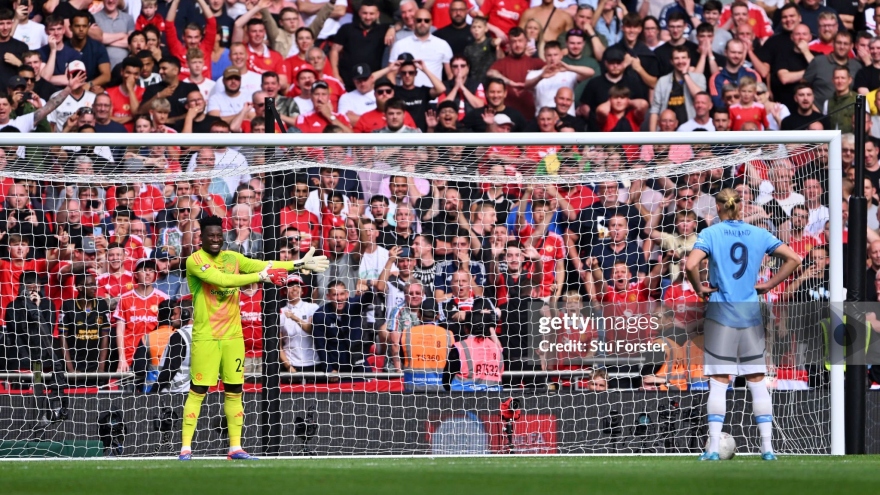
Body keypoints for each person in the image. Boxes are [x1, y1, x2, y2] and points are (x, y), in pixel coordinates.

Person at [178, 215, 329, 461]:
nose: (216, 239)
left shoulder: (233, 258)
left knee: (235, 391)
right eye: (211, 235)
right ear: (201, 237)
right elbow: (223, 280)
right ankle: (185, 448)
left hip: (233, 338)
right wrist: (260, 278)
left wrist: (297, 264)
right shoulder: (195, 261)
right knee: (198, 390)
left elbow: (264, 265)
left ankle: (235, 448)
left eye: (219, 235)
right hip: (206, 337)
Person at [685, 188, 801, 461]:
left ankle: (713, 448)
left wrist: (699, 287)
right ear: (739, 206)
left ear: (718, 207)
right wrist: (770, 283)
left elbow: (690, 265)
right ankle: (768, 448)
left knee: (719, 380)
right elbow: (794, 258)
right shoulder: (758, 233)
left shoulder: (711, 233)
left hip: (721, 314)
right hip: (750, 314)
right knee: (757, 380)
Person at [444, 297, 504, 391]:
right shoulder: (498, 349)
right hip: (493, 399)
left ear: (466, 329)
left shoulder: (460, 347)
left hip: (463, 399)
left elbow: (446, 380)